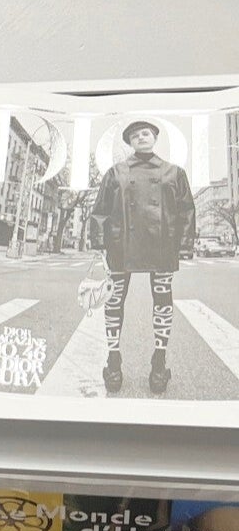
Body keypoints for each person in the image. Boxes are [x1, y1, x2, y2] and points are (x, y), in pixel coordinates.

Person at [89, 120, 196, 394]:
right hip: (120, 245)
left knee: (163, 301)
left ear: (155, 137)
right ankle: (114, 361)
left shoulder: (174, 172)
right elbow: (100, 209)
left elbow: (186, 209)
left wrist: (185, 244)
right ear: (130, 142)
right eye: (135, 135)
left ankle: (159, 363)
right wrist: (99, 242)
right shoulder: (115, 172)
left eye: (145, 133)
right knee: (114, 302)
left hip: (162, 246)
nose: (141, 137)